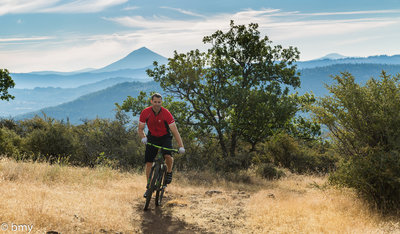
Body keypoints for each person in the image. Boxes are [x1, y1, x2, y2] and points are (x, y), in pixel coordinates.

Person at [138, 93, 185, 197]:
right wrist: (143, 137)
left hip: (165, 137)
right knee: (149, 163)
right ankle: (149, 187)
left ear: (161, 102)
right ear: (151, 102)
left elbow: (175, 131)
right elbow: (140, 129)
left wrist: (181, 146)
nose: (157, 104)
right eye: (155, 102)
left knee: (168, 156)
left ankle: (169, 172)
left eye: (159, 102)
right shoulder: (145, 112)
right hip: (152, 137)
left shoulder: (166, 113)